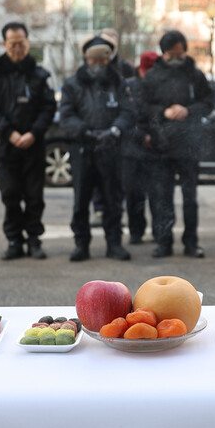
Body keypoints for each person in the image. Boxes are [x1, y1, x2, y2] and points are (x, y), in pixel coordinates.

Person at [0, 21, 56, 260]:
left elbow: (48, 107)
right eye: (12, 44)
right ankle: (14, 240)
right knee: (10, 193)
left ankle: (34, 240)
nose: (17, 48)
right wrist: (9, 133)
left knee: (34, 195)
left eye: (21, 43)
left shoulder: (40, 74)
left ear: (28, 43)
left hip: (34, 143)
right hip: (6, 144)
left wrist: (33, 133)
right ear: (4, 44)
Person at [59, 35, 135, 262]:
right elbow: (66, 115)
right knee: (81, 199)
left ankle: (114, 244)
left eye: (102, 61)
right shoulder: (73, 84)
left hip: (111, 148)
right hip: (83, 148)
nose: (97, 65)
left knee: (113, 198)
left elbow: (128, 113)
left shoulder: (118, 83)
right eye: (93, 61)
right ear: (86, 60)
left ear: (107, 60)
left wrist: (114, 130)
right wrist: (85, 132)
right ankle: (81, 244)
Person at [139, 30, 214, 258]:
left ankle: (191, 242)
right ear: (163, 53)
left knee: (190, 198)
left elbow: (209, 102)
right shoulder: (151, 77)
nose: (176, 58)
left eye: (179, 53)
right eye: (171, 54)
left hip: (189, 145)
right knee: (163, 198)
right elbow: (142, 109)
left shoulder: (195, 74)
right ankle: (164, 242)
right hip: (161, 145)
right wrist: (164, 112)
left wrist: (188, 110)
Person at [122, 50, 159, 244]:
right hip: (132, 150)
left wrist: (156, 137)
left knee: (157, 195)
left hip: (155, 149)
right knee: (134, 195)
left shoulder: (161, 87)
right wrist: (141, 136)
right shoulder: (128, 87)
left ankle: (159, 233)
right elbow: (124, 118)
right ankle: (136, 232)